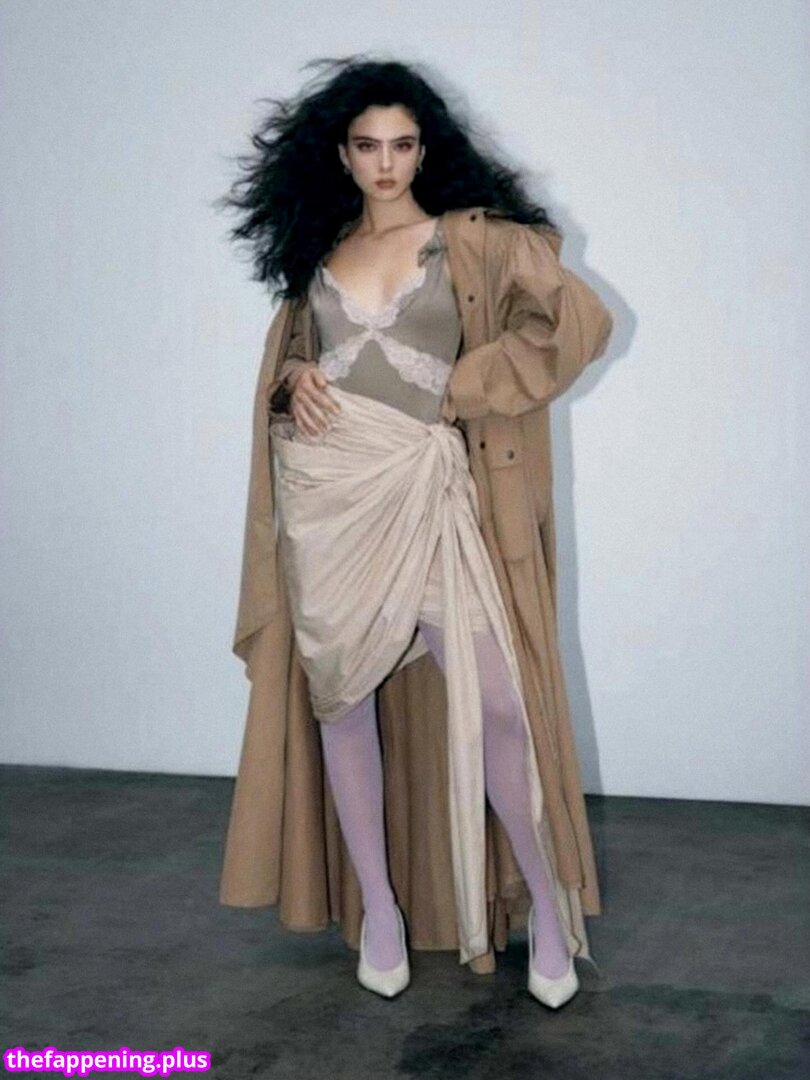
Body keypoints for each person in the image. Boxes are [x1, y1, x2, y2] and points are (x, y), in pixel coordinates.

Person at [216, 55, 613, 1008]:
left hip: (431, 493)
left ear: (425, 150)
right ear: (342, 155)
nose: (385, 163)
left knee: (500, 704)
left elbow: (579, 323)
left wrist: (460, 388)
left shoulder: (473, 240)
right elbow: (294, 365)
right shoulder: (318, 252)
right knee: (342, 701)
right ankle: (382, 913)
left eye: (402, 145)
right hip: (329, 496)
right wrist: (291, 381)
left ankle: (547, 909)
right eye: (367, 146)